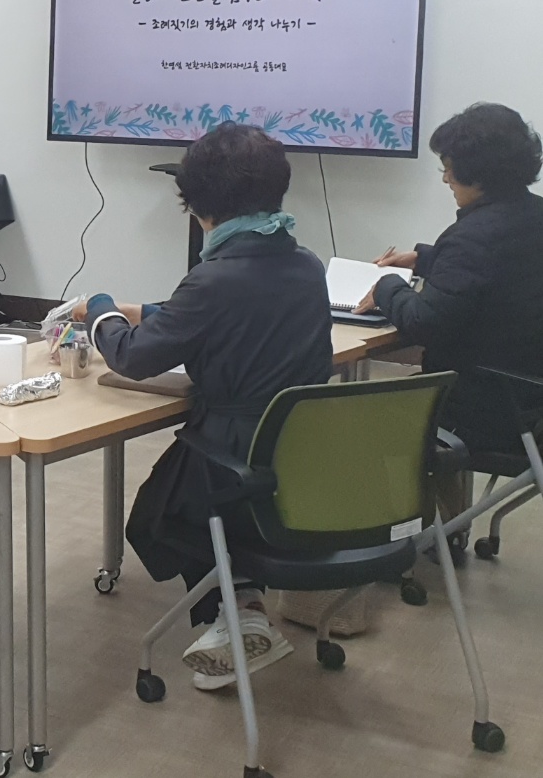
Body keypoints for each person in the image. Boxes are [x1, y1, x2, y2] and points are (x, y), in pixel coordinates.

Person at [74, 123, 332, 690]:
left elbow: (135, 357)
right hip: (303, 459)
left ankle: (231, 616)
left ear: (198, 206)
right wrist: (141, 310)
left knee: (159, 521)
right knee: (211, 519)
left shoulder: (214, 278)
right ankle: (245, 608)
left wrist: (100, 310)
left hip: (233, 455)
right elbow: (217, 313)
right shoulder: (307, 266)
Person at [359, 103, 543, 531]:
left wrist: (388, 287)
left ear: (478, 173)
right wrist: (425, 257)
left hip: (483, 408)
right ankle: (447, 529)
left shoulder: (473, 237)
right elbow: (499, 272)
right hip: (529, 397)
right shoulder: (532, 216)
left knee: (361, 411)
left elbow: (423, 322)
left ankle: (401, 533)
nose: (445, 179)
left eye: (448, 169)